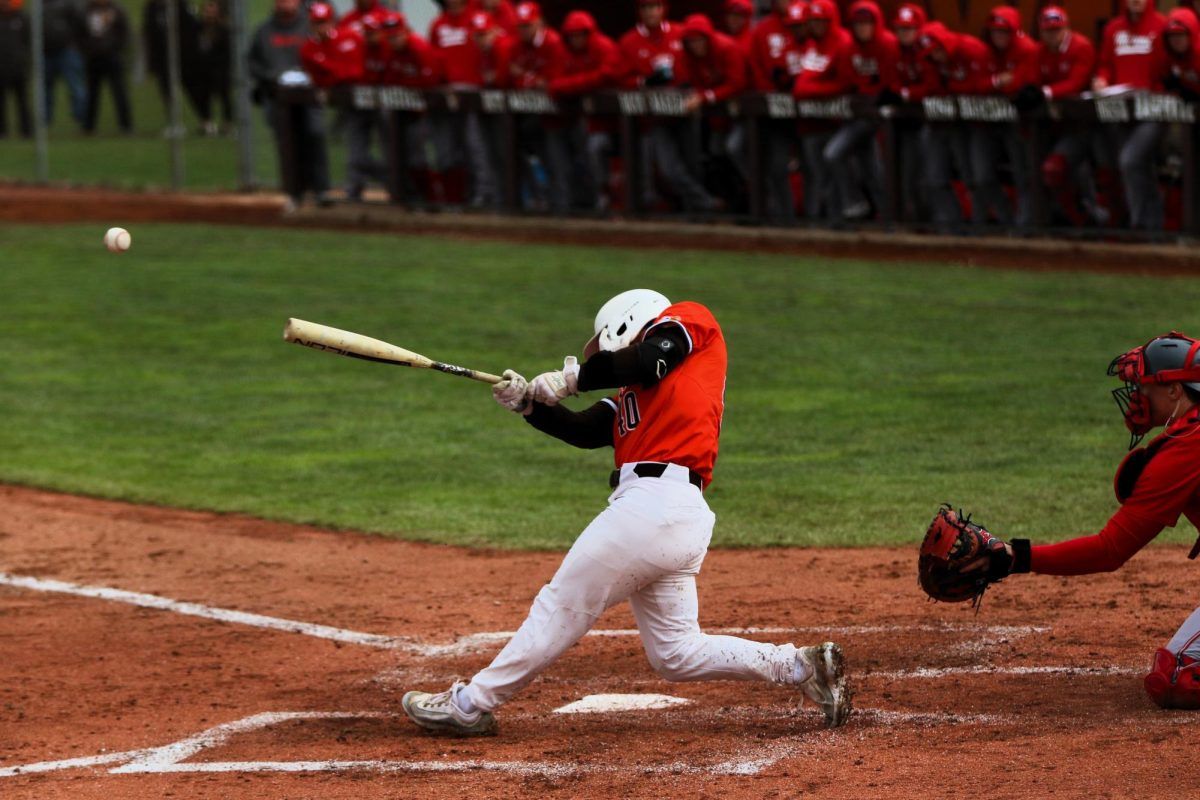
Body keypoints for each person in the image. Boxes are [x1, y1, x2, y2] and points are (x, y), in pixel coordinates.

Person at [400, 288, 853, 736]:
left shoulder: (689, 321)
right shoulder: (638, 393)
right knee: (675, 653)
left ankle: (470, 704)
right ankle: (799, 666)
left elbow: (647, 358)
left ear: (628, 322)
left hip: (654, 507)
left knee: (564, 602)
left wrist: (572, 380)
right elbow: (583, 430)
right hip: (672, 518)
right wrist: (528, 405)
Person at [937, 331, 1200, 710]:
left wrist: (1016, 556)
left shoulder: (1185, 448)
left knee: (1177, 678)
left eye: (1144, 386)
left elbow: (1110, 550)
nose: (1137, 396)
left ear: (1174, 390)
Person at [815, 0, 898, 222]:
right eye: (858, 23)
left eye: (867, 23)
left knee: (867, 167)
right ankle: (860, 205)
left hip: (882, 119)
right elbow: (842, 80)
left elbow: (890, 83)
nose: (863, 28)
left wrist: (871, 93)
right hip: (857, 116)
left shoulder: (889, 44)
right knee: (863, 166)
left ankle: (885, 216)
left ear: (876, 23)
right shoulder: (847, 48)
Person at [248, 0, 331, 209]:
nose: (285, 3)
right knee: (288, 143)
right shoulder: (264, 31)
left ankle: (320, 189)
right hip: (278, 97)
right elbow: (252, 62)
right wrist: (271, 77)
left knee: (314, 135)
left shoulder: (309, 26)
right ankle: (294, 192)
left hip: (309, 96)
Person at [1094, 0, 1168, 231]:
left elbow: (1168, 67)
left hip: (1152, 110)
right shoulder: (1113, 28)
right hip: (1121, 110)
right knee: (1139, 166)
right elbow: (1105, 64)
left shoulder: (1162, 26)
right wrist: (1101, 80)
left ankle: (1139, 224)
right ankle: (1153, 224)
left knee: (1130, 160)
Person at [1030, 6, 1107, 227]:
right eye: (1048, 30)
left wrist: (1045, 92)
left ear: (1066, 28)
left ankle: (1098, 219)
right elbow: (1031, 80)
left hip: (1087, 125)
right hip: (1053, 126)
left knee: (1094, 170)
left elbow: (1076, 83)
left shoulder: (1081, 47)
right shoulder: (1039, 51)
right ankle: (1075, 221)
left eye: (1057, 29)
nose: (1053, 35)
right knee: (1055, 171)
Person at [968, 5, 1040, 228]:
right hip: (986, 120)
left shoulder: (1027, 49)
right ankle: (1006, 219)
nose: (998, 36)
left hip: (1018, 122)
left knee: (1023, 175)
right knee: (982, 176)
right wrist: (997, 81)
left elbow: (1020, 84)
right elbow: (975, 85)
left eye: (1004, 31)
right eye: (995, 31)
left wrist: (997, 84)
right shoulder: (984, 50)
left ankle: (1024, 226)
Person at [494, 1, 569, 213]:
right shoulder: (515, 46)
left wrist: (527, 77)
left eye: (527, 25)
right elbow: (506, 79)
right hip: (528, 117)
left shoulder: (553, 42)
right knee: (515, 151)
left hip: (557, 116)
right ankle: (538, 200)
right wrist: (533, 79)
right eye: (520, 26)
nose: (523, 30)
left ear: (539, 22)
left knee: (557, 160)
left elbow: (554, 81)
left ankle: (563, 206)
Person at [916, 21, 989, 229]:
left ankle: (980, 225)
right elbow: (932, 88)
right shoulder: (931, 61)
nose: (935, 55)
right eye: (931, 52)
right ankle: (951, 225)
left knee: (976, 176)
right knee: (936, 177)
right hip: (946, 122)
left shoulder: (971, 49)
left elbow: (981, 86)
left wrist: (956, 88)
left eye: (937, 50)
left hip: (981, 123)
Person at [429, 0, 501, 208]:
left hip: (476, 95)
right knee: (449, 150)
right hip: (447, 96)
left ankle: (485, 194)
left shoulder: (478, 17)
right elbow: (434, 58)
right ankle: (458, 196)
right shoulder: (438, 24)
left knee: (476, 147)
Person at [549, 10, 620, 211]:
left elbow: (607, 76)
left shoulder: (604, 46)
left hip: (613, 122)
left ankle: (606, 198)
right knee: (567, 152)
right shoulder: (563, 51)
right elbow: (554, 85)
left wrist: (573, 85)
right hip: (577, 120)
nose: (577, 39)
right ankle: (583, 201)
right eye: (573, 35)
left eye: (581, 34)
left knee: (595, 148)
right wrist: (585, 83)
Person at [618, 0, 683, 210]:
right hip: (648, 120)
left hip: (684, 115)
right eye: (645, 7)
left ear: (663, 8)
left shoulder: (680, 33)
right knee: (652, 169)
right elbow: (619, 79)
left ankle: (694, 205)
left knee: (682, 165)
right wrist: (644, 81)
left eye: (655, 6)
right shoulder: (629, 40)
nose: (650, 12)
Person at [790, 0, 851, 221]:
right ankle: (829, 221)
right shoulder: (812, 44)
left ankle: (849, 220)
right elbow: (800, 87)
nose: (816, 26)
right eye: (813, 21)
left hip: (838, 123)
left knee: (841, 173)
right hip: (811, 123)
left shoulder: (843, 42)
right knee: (819, 177)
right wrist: (814, 89)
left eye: (821, 21)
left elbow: (844, 84)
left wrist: (812, 89)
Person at [748, 0, 808, 224]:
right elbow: (755, 67)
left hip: (811, 117)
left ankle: (815, 217)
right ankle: (785, 218)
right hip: (777, 114)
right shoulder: (763, 29)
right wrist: (772, 90)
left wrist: (799, 85)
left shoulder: (813, 24)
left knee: (815, 167)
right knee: (777, 166)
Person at [339, 1, 389, 202]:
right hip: (357, 94)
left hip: (384, 96)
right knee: (356, 147)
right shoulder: (347, 21)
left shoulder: (386, 17)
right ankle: (355, 185)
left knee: (390, 144)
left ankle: (395, 185)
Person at [81, 0, 132, 134]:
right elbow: (80, 32)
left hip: (112, 56)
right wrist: (87, 49)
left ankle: (126, 125)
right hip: (93, 57)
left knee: (119, 92)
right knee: (92, 94)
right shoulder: (86, 11)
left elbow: (124, 31)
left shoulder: (117, 10)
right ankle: (89, 127)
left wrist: (116, 48)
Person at [142, 0, 198, 121]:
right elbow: (149, 34)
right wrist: (151, 63)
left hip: (183, 56)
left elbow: (192, 27)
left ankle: (205, 119)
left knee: (193, 87)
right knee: (166, 91)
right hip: (162, 58)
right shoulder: (152, 8)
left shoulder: (181, 5)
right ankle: (173, 120)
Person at [188, 0, 231, 136]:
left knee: (224, 96)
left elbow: (227, 50)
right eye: (206, 9)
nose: (209, 12)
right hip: (202, 68)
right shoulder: (198, 28)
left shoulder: (223, 29)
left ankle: (227, 123)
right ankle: (206, 122)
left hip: (220, 68)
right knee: (202, 96)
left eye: (212, 9)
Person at [42, 0, 87, 127]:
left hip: (67, 51)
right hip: (45, 52)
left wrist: (76, 44)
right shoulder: (39, 5)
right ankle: (44, 122)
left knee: (76, 87)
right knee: (45, 90)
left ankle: (82, 120)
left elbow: (81, 24)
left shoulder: (69, 4)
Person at [0, 0, 31, 139]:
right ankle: (2, 131)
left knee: (23, 100)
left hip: (19, 67)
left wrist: (24, 60)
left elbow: (29, 41)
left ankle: (26, 130)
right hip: (1, 67)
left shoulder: (21, 19)